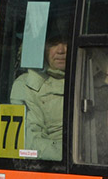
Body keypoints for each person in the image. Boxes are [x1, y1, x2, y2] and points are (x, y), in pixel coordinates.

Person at [10, 31, 67, 160]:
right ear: (43, 48)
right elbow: (31, 142)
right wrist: (74, 155)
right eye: (53, 44)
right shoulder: (27, 84)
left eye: (66, 42)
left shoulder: (97, 78)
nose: (61, 50)